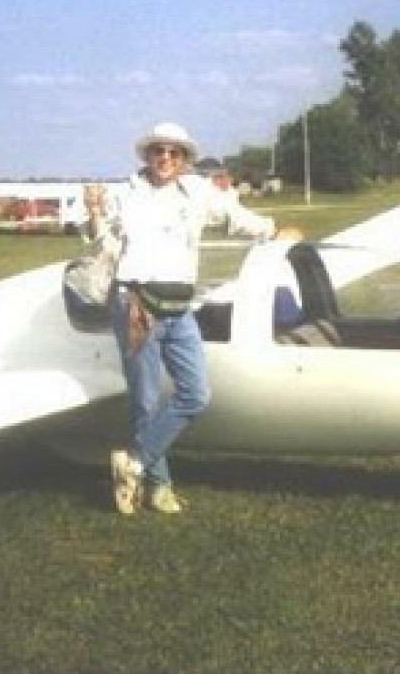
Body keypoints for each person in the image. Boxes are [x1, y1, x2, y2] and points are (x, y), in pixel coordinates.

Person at [84, 121, 301, 515]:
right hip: (136, 304)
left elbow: (236, 216)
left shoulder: (198, 191)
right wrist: (94, 212)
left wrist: (273, 231)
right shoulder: (125, 194)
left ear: (184, 159)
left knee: (195, 394)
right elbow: (103, 242)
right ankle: (159, 487)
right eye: (158, 151)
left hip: (179, 306)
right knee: (145, 402)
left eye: (174, 152)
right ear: (147, 156)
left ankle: (132, 463)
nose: (165, 158)